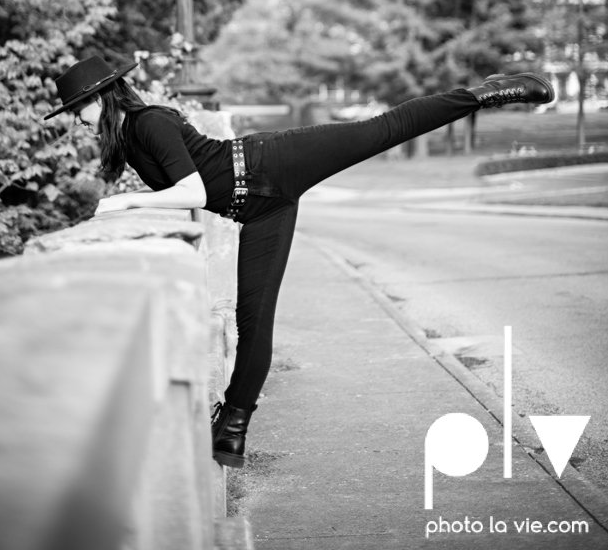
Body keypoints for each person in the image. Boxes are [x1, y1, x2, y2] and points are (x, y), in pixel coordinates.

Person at [45, 54, 554, 468]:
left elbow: (194, 190)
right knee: (254, 319)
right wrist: (129, 199)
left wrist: (128, 202)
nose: (76, 117)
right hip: (262, 208)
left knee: (385, 128)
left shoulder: (148, 121)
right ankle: (232, 430)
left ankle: (488, 93)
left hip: (275, 161)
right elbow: (193, 191)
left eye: (77, 107)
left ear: (101, 97)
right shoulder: (131, 141)